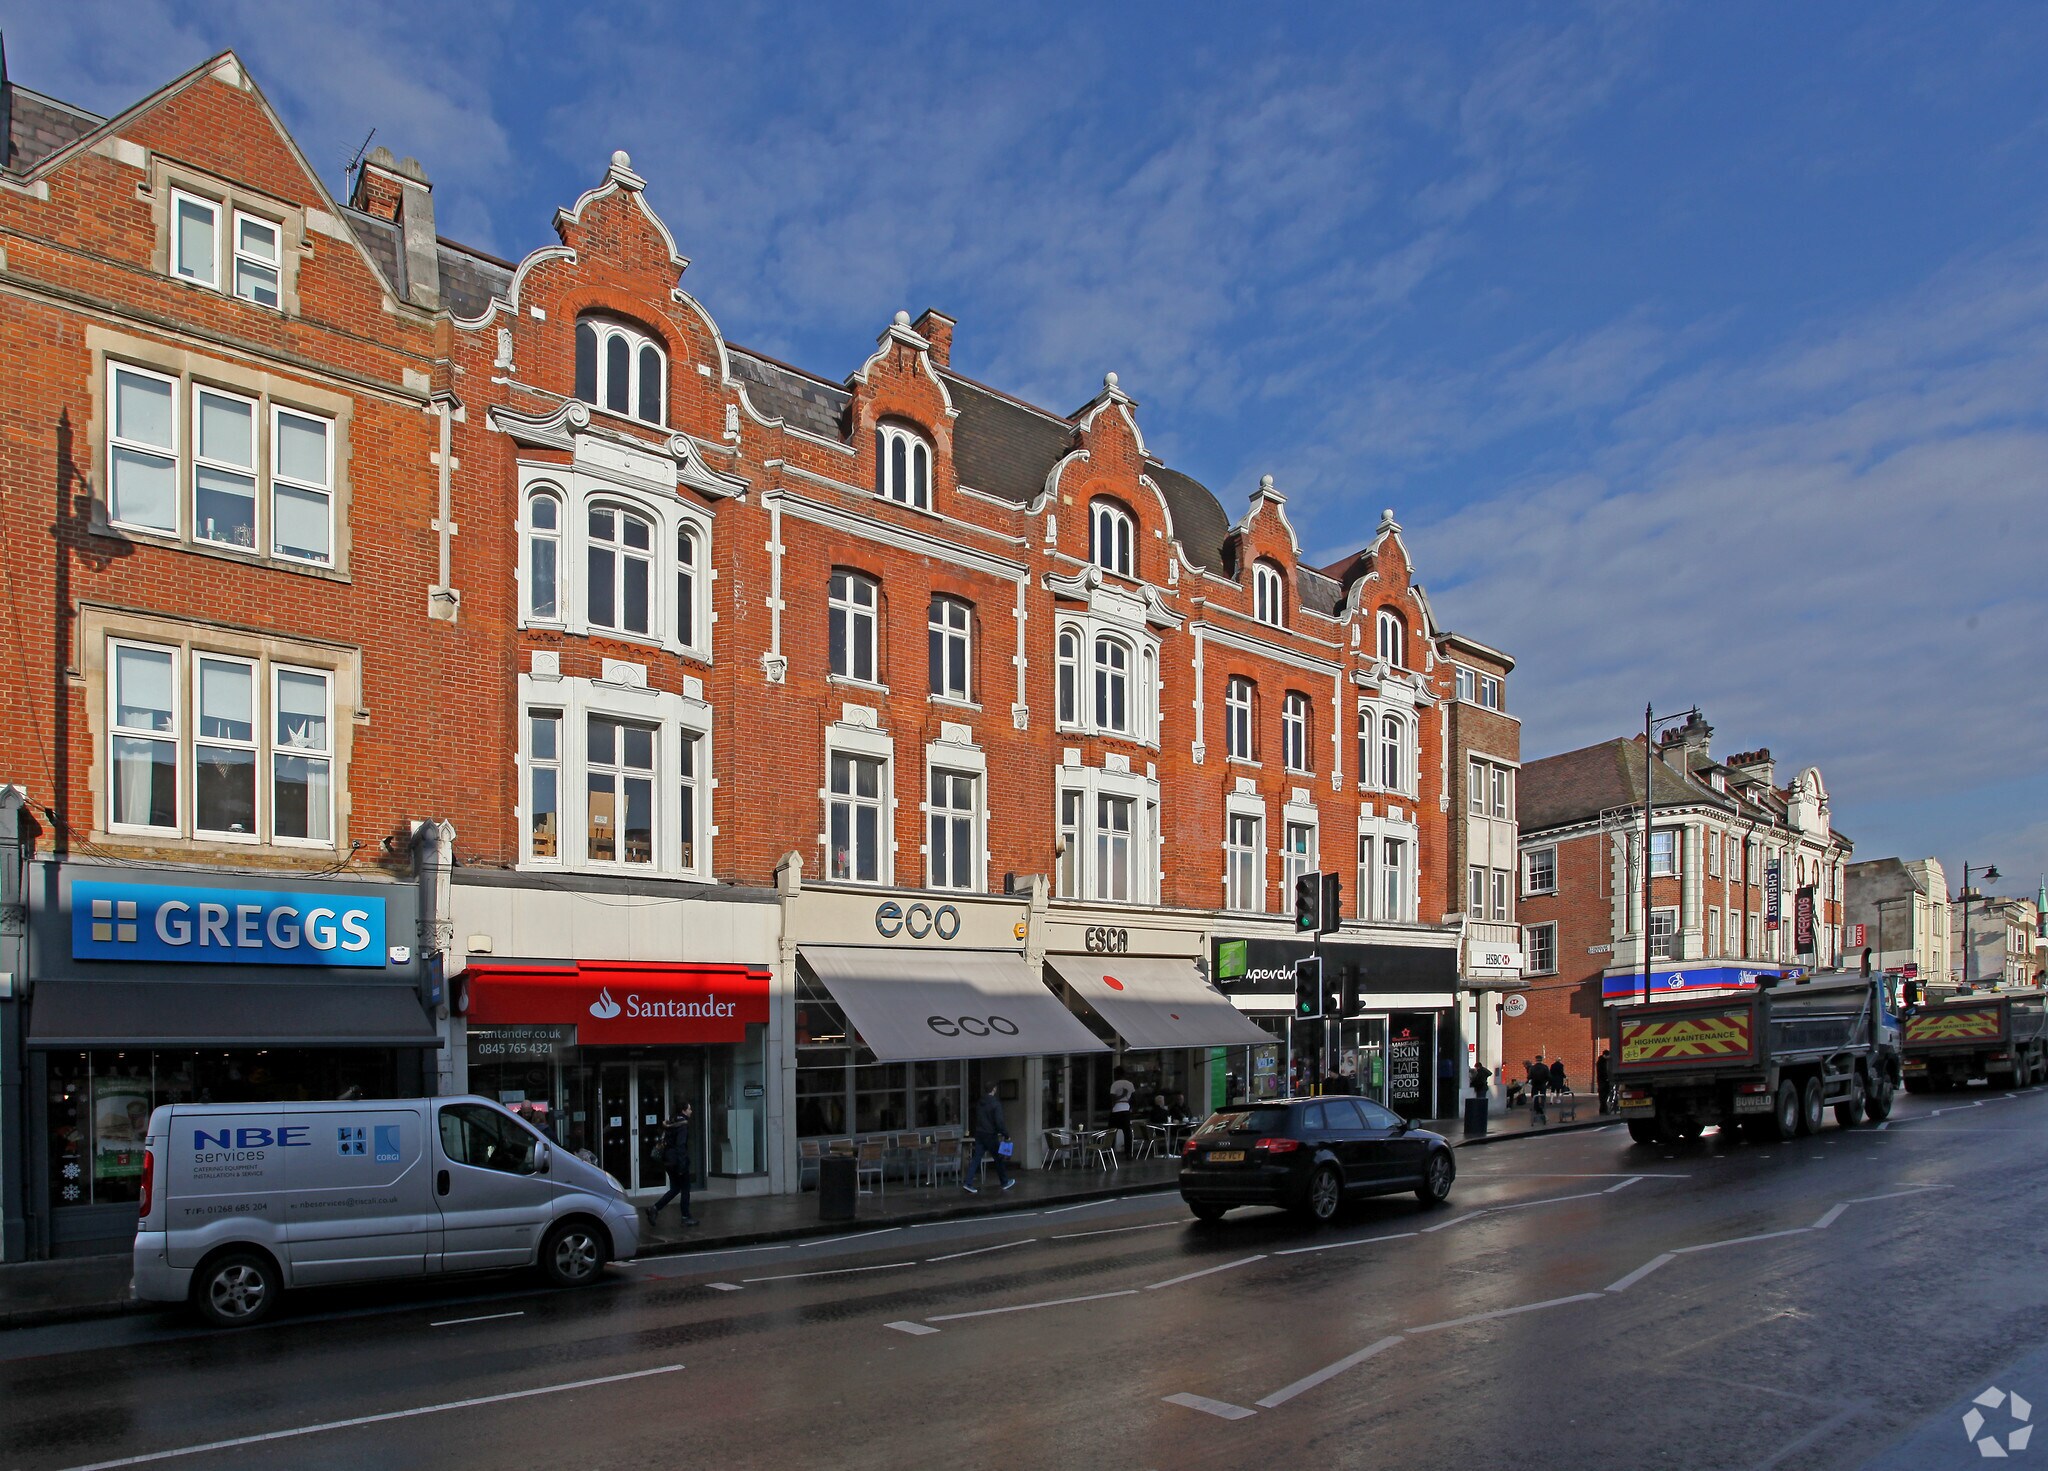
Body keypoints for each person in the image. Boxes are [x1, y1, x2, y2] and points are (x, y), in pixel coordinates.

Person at [646, 1103, 698, 1227]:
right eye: (690, 1109)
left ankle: (654, 1209)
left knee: (675, 1188)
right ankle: (685, 1217)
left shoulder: (671, 1123)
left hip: (668, 1160)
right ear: (684, 1110)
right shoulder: (683, 1126)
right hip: (677, 1162)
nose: (691, 1111)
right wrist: (682, 1166)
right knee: (685, 1188)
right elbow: (680, 1146)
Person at [962, 1081, 1014, 1194]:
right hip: (990, 1135)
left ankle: (968, 1183)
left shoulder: (980, 1103)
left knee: (976, 1159)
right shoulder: (996, 1104)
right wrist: (1006, 1135)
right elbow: (999, 1122)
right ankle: (1004, 1182)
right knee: (998, 1158)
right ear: (994, 1089)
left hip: (980, 1134)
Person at [1108, 1067, 1135, 1154]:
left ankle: (1110, 1151)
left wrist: (1121, 1095)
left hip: (1116, 1109)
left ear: (1116, 1074)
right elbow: (1133, 1098)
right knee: (1127, 1133)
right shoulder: (1130, 1084)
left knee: (1111, 1132)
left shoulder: (1115, 1084)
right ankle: (1128, 1153)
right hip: (1126, 1108)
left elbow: (1112, 1098)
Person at [1595, 1047, 1614, 1114]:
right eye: (1608, 1055)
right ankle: (1603, 1110)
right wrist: (1607, 1078)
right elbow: (1603, 1071)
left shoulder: (1602, 1061)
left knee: (1604, 1096)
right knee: (1603, 1096)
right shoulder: (1601, 1062)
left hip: (1603, 1081)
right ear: (1605, 1055)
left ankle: (1603, 1109)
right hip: (1603, 1081)